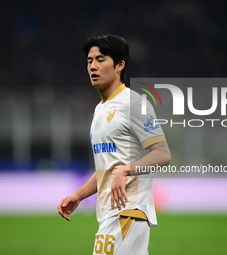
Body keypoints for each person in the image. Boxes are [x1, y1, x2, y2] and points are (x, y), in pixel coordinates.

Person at [58, 34, 171, 255]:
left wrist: (125, 171)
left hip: (127, 212)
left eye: (101, 60)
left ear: (120, 65)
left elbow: (163, 154)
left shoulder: (134, 102)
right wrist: (78, 195)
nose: (93, 66)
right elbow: (107, 169)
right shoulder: (100, 109)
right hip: (111, 214)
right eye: (90, 61)